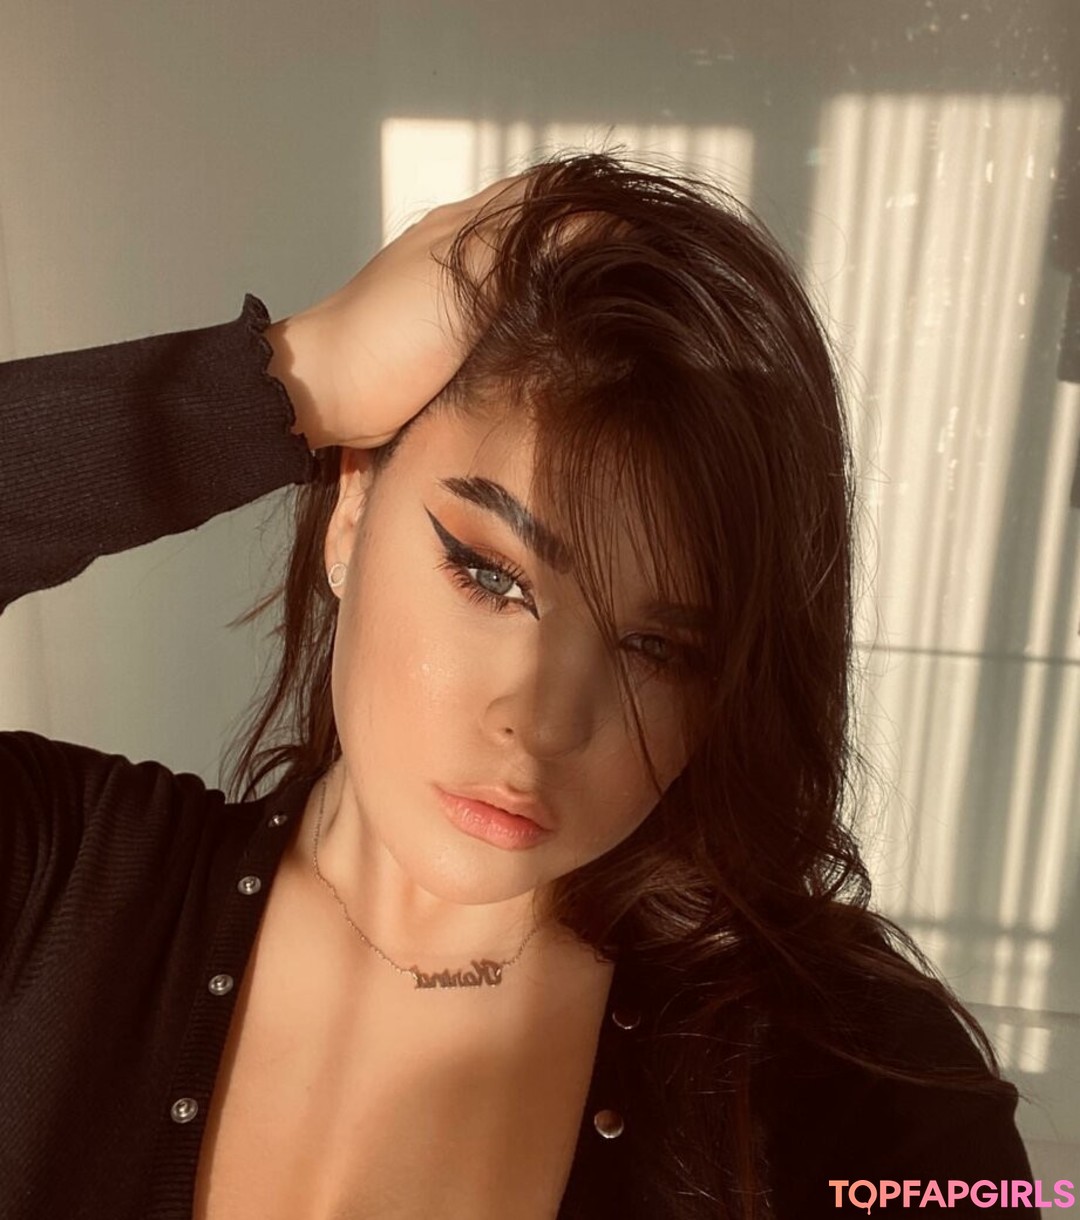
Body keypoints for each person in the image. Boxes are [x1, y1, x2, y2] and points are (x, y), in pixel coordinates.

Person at [0, 152, 1044, 1219]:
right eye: (491, 575)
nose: (543, 721)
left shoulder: (866, 1090)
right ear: (352, 511)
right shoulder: (55, 884)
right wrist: (297, 379)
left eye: (658, 647)